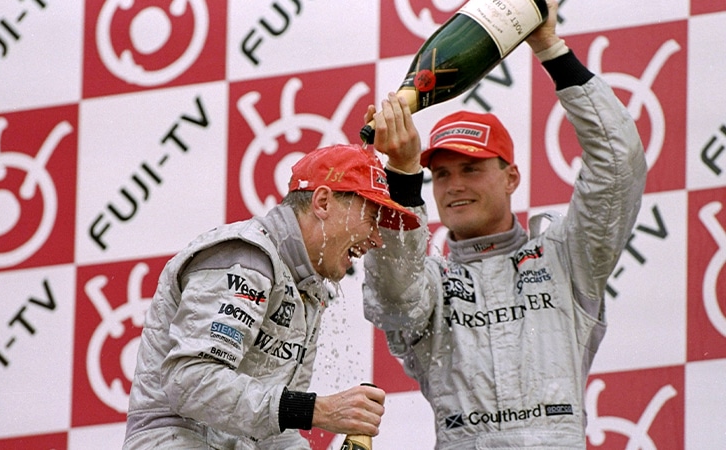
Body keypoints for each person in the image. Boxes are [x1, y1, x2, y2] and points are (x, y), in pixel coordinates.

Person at [362, 0, 648, 448]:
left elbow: (618, 165)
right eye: (441, 174)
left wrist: (551, 47)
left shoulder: (565, 257)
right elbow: (393, 298)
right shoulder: (431, 282)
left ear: (512, 177)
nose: (454, 185)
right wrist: (401, 173)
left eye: (471, 169)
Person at [123, 143, 420, 449]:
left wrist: (303, 414)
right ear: (322, 202)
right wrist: (315, 410)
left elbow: (275, 430)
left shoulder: (308, 289)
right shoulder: (247, 257)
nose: (376, 239)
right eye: (371, 218)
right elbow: (190, 382)